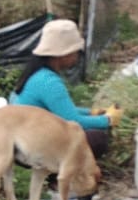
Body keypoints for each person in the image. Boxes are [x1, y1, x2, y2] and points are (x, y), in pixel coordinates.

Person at [10, 18, 119, 160]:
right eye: (75, 53)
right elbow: (72, 121)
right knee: (97, 138)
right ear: (63, 55)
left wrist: (92, 113)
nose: (76, 57)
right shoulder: (49, 82)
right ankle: (61, 171)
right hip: (30, 150)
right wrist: (107, 120)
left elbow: (63, 109)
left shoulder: (37, 73)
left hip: (21, 141)